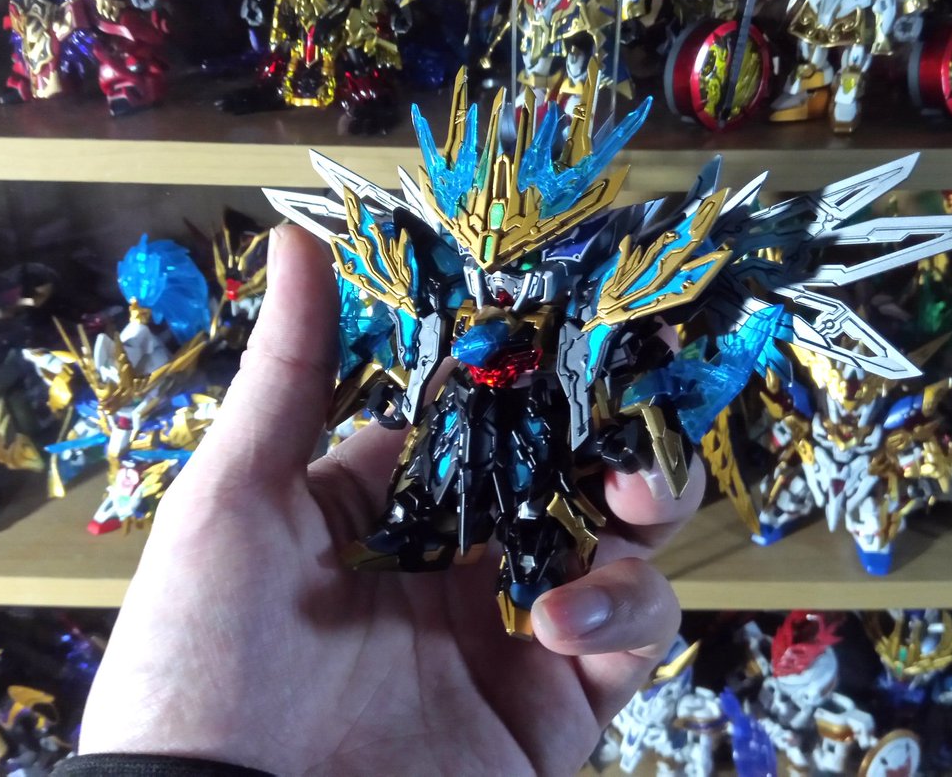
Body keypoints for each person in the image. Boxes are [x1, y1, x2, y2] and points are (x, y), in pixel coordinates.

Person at [56, 224, 706, 776]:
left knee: (537, 528)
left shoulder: (569, 335)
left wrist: (623, 425)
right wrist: (393, 396)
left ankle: (521, 573)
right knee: (429, 491)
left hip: (540, 439)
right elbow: (416, 380)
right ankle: (417, 534)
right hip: (457, 432)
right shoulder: (457, 323)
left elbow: (609, 386)